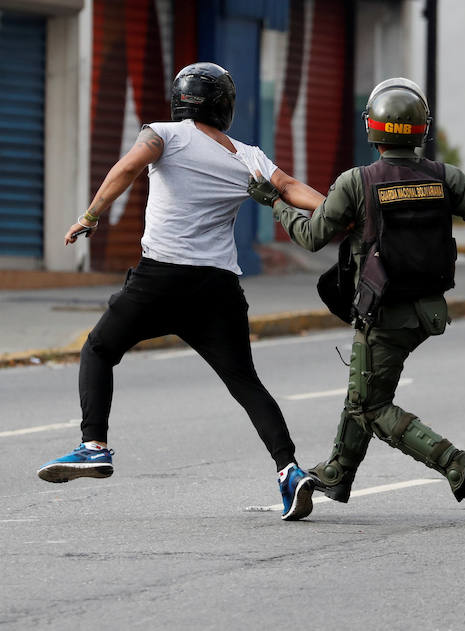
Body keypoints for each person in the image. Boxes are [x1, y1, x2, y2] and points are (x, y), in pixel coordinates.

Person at [36, 62, 325, 522]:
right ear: (225, 106)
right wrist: (337, 210)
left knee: (98, 350)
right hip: (218, 289)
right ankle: (289, 470)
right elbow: (289, 189)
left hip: (161, 279)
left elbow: (128, 167)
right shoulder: (248, 155)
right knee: (245, 383)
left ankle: (94, 446)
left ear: (180, 101)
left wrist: (90, 217)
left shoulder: (164, 135)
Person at [247, 77, 465, 519]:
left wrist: (275, 203)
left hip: (382, 311)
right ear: (423, 130)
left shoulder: (357, 182)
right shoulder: (446, 177)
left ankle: (459, 466)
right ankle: (339, 472)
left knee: (371, 405)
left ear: (372, 128)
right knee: (363, 388)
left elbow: (309, 235)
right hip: (428, 310)